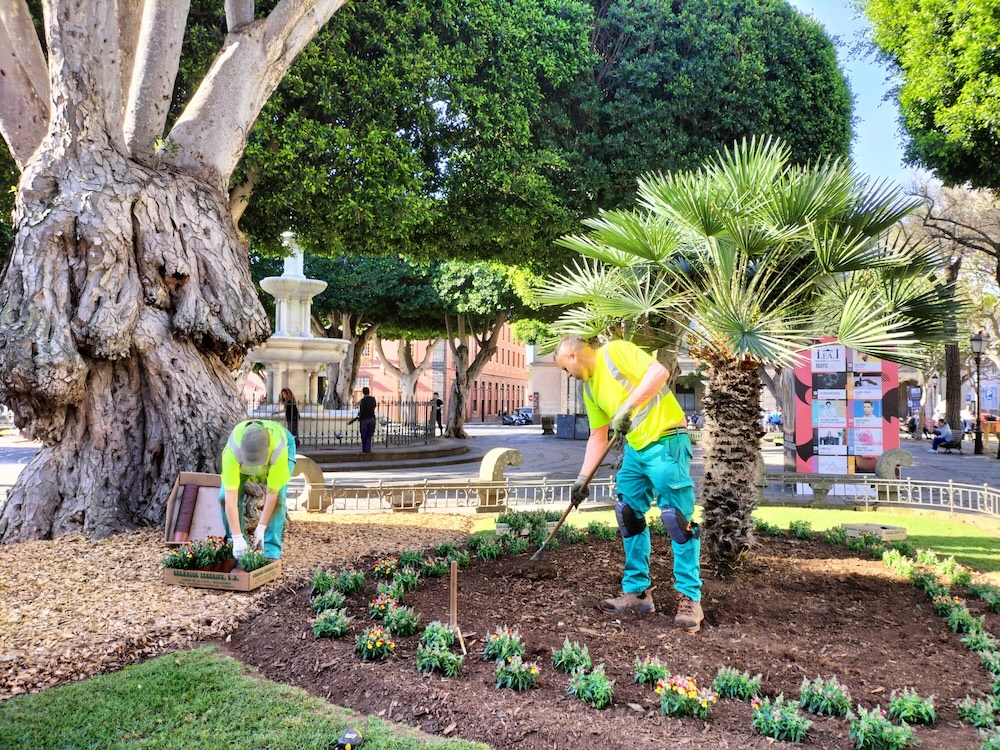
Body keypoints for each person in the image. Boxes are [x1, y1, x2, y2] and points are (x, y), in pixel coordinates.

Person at [554, 335, 703, 633]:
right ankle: (638, 592)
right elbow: (597, 437)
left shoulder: (615, 352)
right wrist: (583, 479)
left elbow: (659, 373)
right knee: (627, 513)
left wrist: (627, 408)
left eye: (564, 368)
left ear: (571, 355)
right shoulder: (590, 390)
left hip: (666, 440)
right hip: (636, 449)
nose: (566, 375)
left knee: (676, 518)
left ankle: (690, 598)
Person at [218, 419, 296, 560]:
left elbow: (272, 495)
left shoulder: (278, 449)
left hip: (276, 455)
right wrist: (236, 537)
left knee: (279, 499)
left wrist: (261, 527)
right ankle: (236, 545)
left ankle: (271, 550)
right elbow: (230, 498)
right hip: (242, 462)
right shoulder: (233, 451)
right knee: (223, 497)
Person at [354, 387, 377, 453]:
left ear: (363, 392)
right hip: (372, 418)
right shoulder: (373, 399)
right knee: (369, 434)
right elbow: (374, 406)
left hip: (365, 419)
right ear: (369, 392)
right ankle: (368, 448)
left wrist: (359, 417)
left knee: (364, 434)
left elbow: (362, 410)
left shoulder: (363, 401)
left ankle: (365, 448)